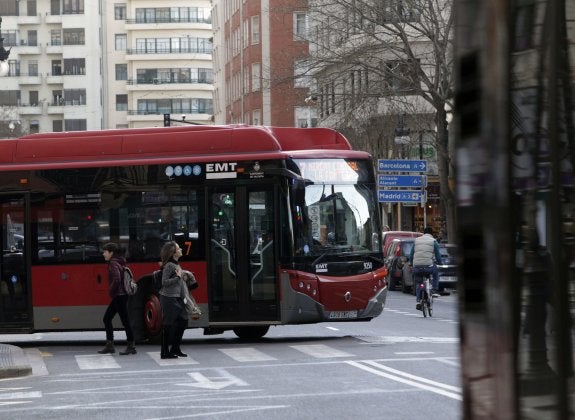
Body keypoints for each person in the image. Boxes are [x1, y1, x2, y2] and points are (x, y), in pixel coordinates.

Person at [98, 242, 137, 355]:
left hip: (119, 296)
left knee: (124, 321)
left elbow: (117, 279)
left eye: (105, 252)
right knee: (108, 319)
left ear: (111, 253)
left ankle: (130, 346)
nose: (103, 254)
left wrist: (111, 291)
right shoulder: (119, 261)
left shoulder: (113, 263)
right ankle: (111, 345)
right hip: (120, 296)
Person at [159, 241, 188, 359]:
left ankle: (175, 348)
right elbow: (164, 282)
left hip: (177, 298)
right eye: (178, 248)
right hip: (168, 298)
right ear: (173, 253)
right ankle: (165, 352)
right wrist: (177, 277)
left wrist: (184, 298)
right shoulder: (169, 265)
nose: (181, 249)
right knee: (168, 325)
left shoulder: (177, 264)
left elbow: (181, 285)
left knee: (183, 321)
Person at [409, 226, 443, 311]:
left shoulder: (416, 241)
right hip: (428, 267)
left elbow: (411, 254)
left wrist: (410, 263)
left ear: (423, 233)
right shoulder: (433, 241)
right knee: (435, 272)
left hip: (417, 266)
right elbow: (438, 256)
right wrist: (440, 263)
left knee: (419, 283)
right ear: (432, 234)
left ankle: (418, 301)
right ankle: (434, 290)